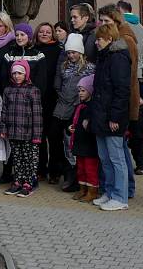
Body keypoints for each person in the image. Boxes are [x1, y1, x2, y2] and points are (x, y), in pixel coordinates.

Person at [98, 3, 140, 198]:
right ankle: (120, 190)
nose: (103, 24)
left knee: (119, 152)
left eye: (107, 21)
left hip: (120, 103)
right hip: (111, 103)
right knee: (116, 151)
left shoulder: (124, 43)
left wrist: (119, 110)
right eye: (101, 21)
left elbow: (126, 78)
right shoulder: (108, 48)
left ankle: (123, 191)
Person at [89, 23, 131, 212]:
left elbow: (122, 91)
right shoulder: (104, 58)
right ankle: (109, 191)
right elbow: (98, 90)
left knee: (116, 159)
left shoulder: (118, 59)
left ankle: (120, 196)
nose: (96, 42)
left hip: (112, 117)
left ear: (110, 39)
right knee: (105, 158)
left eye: (99, 39)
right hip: (100, 115)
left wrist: (115, 117)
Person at [49, 33, 94, 187]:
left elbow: (89, 88)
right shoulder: (64, 66)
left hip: (75, 107)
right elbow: (59, 83)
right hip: (61, 105)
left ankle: (72, 175)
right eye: (68, 52)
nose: (71, 55)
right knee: (54, 135)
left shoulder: (88, 68)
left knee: (70, 140)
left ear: (80, 52)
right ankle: (57, 168)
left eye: (74, 52)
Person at [1, 60, 43, 198]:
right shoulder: (8, 90)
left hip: (29, 133)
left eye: (20, 73)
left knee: (29, 158)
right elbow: (4, 111)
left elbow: (37, 115)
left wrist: (37, 135)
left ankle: (29, 182)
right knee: (17, 158)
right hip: (13, 132)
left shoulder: (33, 90)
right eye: (14, 73)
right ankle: (18, 181)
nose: (17, 76)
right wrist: (3, 129)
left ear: (26, 74)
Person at [34, 21, 63, 179]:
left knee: (54, 135)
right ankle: (40, 169)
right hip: (38, 99)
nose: (44, 34)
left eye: (48, 32)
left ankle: (55, 170)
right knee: (40, 135)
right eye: (41, 31)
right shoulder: (33, 50)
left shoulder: (58, 50)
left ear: (52, 34)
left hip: (54, 98)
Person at [69, 74, 99, 203]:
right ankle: (82, 189)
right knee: (80, 168)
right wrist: (70, 128)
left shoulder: (92, 108)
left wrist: (83, 127)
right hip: (79, 143)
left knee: (90, 169)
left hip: (89, 144)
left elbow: (90, 126)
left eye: (83, 91)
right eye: (79, 91)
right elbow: (74, 122)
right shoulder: (79, 107)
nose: (80, 94)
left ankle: (92, 191)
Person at [117, 0, 143, 77]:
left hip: (123, 69)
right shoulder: (142, 28)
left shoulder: (121, 26)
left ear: (119, 10)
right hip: (138, 69)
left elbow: (118, 46)